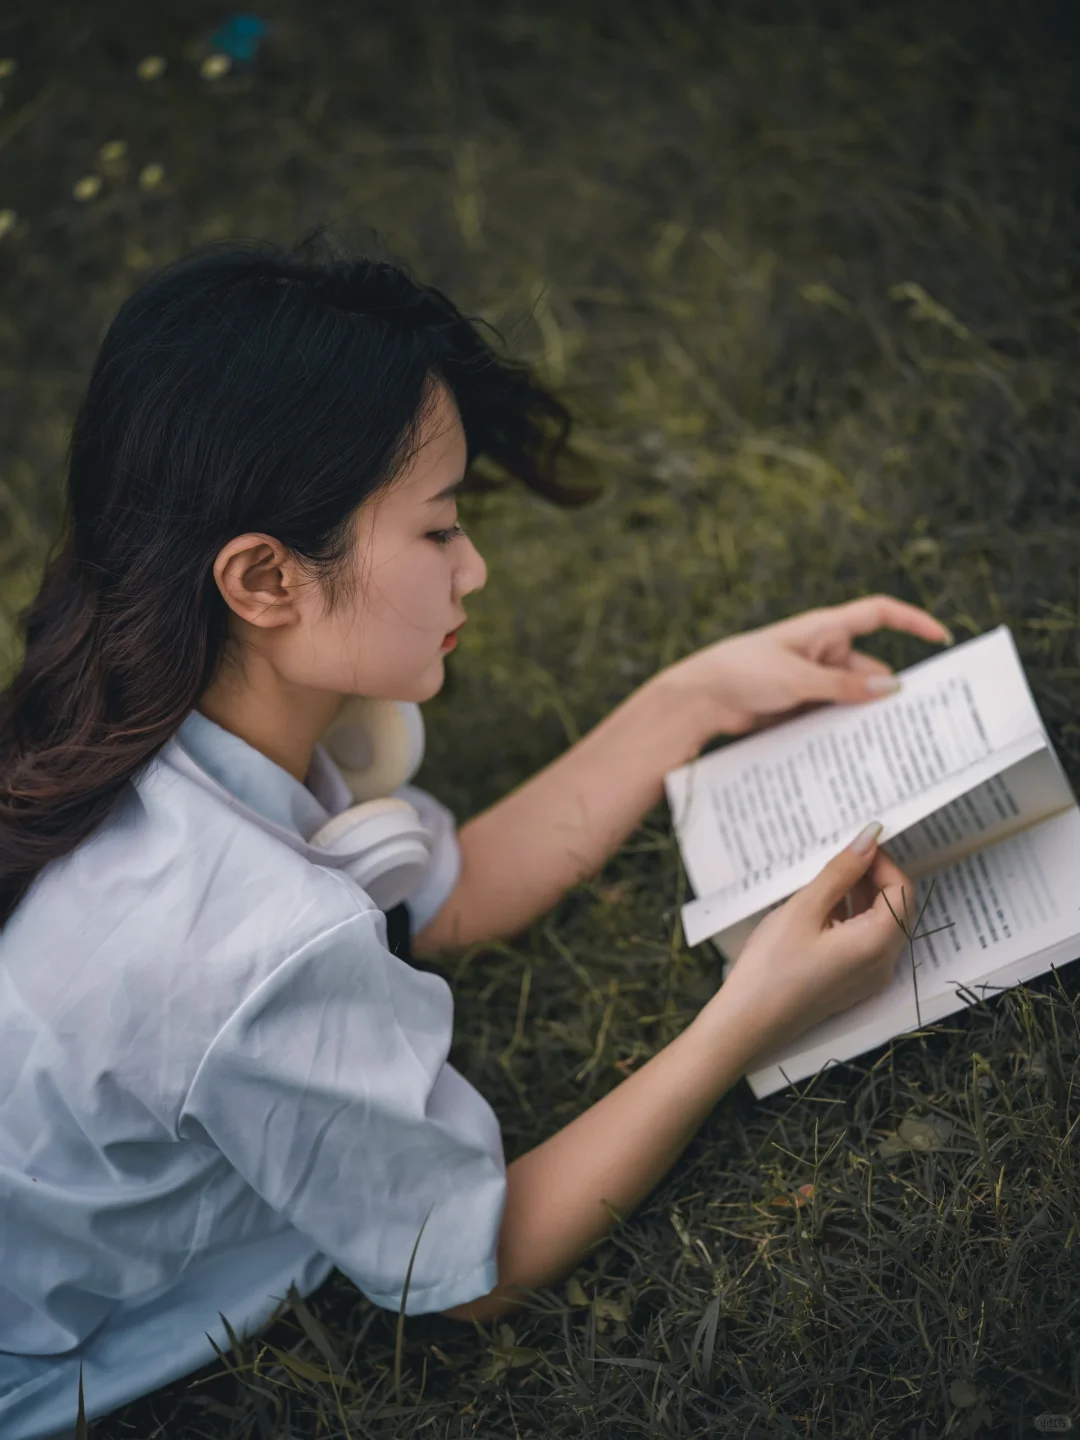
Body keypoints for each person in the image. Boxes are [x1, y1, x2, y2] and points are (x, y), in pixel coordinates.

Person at [0, 229, 937, 1440]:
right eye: (438, 530)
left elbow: (442, 891)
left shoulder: (173, 715)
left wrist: (697, 697)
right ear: (265, 579)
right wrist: (752, 1014)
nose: (476, 567)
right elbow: (476, 1267)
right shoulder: (249, 936)